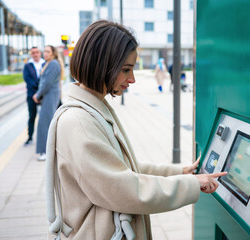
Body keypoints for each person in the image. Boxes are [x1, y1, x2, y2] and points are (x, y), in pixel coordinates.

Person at [45, 20, 226, 240]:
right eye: (125, 70)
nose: (132, 79)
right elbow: (123, 189)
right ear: (102, 65)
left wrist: (180, 171)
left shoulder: (92, 108)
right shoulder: (79, 122)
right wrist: (190, 185)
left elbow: (120, 166)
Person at [33, 45, 64, 161]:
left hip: (50, 95)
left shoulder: (53, 64)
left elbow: (47, 83)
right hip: (50, 95)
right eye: (44, 51)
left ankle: (46, 152)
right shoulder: (49, 63)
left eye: (47, 51)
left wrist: (38, 94)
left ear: (53, 53)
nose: (45, 53)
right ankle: (48, 151)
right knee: (46, 122)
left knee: (44, 122)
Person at [22, 47, 45, 146]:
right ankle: (30, 137)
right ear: (31, 54)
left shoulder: (45, 63)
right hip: (31, 95)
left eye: (37, 52)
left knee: (45, 117)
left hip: (44, 95)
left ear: (40, 53)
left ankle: (46, 137)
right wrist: (38, 87)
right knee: (32, 116)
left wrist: (40, 90)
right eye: (33, 53)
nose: (35, 54)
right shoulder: (27, 65)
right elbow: (27, 79)